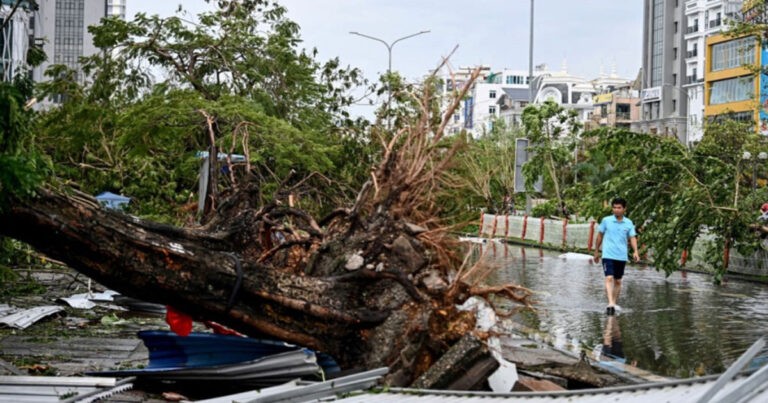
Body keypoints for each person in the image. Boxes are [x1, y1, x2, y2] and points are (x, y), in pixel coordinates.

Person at [593, 197, 640, 315]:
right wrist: (596, 251)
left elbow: (632, 237)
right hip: (608, 254)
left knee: (618, 281)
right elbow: (600, 235)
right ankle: (610, 303)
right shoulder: (606, 220)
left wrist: (635, 251)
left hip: (621, 255)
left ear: (624, 209)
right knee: (609, 278)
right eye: (614, 207)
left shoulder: (628, 223)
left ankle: (613, 302)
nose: (616, 210)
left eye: (619, 208)